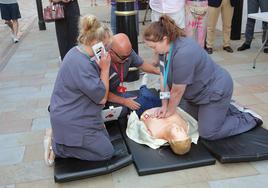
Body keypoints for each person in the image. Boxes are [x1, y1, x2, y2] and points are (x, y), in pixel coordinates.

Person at [143, 15, 263, 140]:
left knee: (208, 132)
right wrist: (164, 105)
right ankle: (226, 107)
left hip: (215, 90)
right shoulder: (164, 50)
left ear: (165, 39)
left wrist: (169, 111)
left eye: (153, 47)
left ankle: (248, 118)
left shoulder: (183, 53)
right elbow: (164, 78)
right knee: (189, 119)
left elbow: (177, 91)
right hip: (196, 94)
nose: (154, 51)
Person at [46, 15, 113, 166]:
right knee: (106, 152)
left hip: (75, 114)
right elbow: (102, 98)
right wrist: (105, 69)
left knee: (105, 138)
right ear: (97, 44)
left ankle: (63, 140)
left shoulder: (75, 52)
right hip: (71, 120)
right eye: (107, 46)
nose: (108, 51)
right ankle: (59, 147)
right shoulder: (81, 64)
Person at [106, 33, 160, 117]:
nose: (128, 58)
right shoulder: (101, 62)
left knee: (149, 101)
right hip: (101, 98)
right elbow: (100, 93)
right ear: (111, 53)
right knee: (128, 109)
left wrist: (159, 71)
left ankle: (143, 88)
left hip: (117, 92)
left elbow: (142, 64)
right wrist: (124, 101)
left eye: (130, 54)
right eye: (124, 57)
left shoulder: (127, 53)